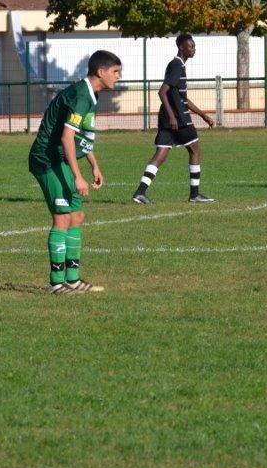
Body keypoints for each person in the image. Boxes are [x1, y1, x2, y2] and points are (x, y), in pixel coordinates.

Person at [29, 50, 121, 293]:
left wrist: (94, 164)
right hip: (47, 159)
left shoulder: (91, 94)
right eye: (115, 72)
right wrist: (78, 176)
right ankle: (56, 283)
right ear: (101, 72)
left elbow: (81, 133)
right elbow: (67, 136)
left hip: (62, 158)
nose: (118, 77)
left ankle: (72, 279)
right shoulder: (81, 95)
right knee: (62, 218)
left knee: (77, 216)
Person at [132, 34, 216, 204]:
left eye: (194, 46)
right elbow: (162, 91)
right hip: (178, 118)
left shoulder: (177, 65)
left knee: (161, 154)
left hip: (169, 118)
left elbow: (181, 97)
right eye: (190, 46)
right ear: (181, 48)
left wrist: (203, 115)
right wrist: (172, 116)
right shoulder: (177, 65)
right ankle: (194, 195)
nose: (193, 49)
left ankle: (140, 193)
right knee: (195, 151)